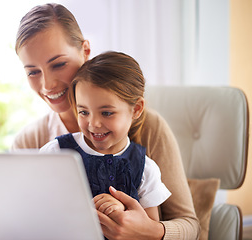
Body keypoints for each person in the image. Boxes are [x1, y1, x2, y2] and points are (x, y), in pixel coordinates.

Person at [12, 3, 199, 240]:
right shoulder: (30, 141)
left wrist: (148, 230)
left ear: (85, 50)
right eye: (32, 72)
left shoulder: (151, 129)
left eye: (58, 64)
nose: (47, 85)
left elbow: (191, 226)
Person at [39, 51, 172, 225]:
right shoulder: (55, 153)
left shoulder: (146, 169)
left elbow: (149, 229)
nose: (93, 124)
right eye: (84, 112)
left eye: (107, 113)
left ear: (137, 109)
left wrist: (122, 212)